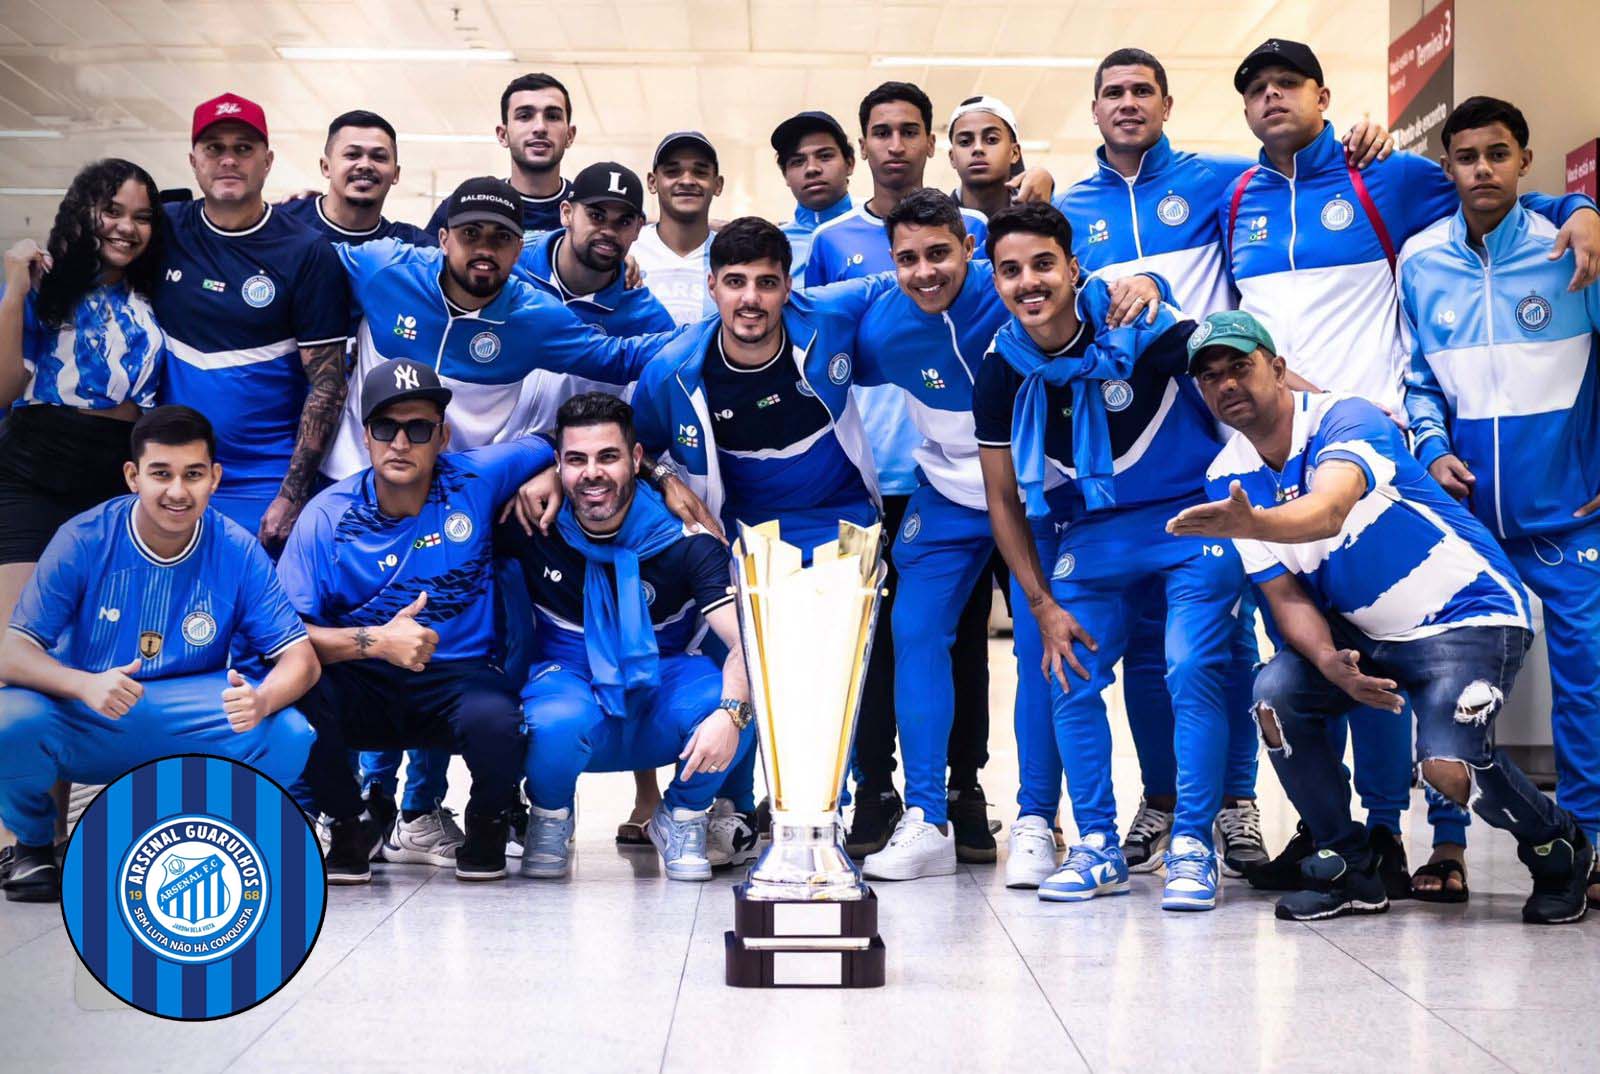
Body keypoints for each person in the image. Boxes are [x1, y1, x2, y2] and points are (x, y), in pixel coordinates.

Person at [1222, 38, 1600, 893]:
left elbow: (1498, 197)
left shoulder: (1388, 181)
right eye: (1257, 88)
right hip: (1311, 463)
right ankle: (1374, 838)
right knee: (1338, 656)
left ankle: (1484, 836)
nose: (1273, 97)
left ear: (1323, 95)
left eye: (1290, 83)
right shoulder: (1233, 193)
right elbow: (1429, 357)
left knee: (1453, 659)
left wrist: (1580, 206)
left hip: (1392, 471)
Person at [1055, 47, 1395, 878]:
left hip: (1226, 443)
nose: (1128, 103)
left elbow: (1302, 180)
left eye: (1143, 90)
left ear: (1169, 103)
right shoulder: (1069, 208)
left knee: (1234, 642)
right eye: (1113, 93)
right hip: (1127, 468)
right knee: (1148, 652)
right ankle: (1166, 801)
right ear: (1094, 110)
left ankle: (1245, 805)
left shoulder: (1224, 183)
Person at [1175, 310, 1593, 925]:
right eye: (1210, 377)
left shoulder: (1346, 417)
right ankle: (1349, 864)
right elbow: (1285, 596)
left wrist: (1253, 523)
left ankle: (1558, 848)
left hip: (1468, 615)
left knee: (1449, 769)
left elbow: (1329, 508)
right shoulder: (1228, 475)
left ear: (1279, 369)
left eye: (1241, 366)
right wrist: (1327, 664)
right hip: (1369, 634)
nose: (1227, 384)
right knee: (1274, 696)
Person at [853, 190, 1164, 882]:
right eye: (907, 259)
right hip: (942, 494)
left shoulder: (1019, 290)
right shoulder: (882, 331)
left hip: (1042, 496)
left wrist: (1151, 281)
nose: (925, 271)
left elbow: (1114, 286)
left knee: (1043, 650)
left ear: (971, 249)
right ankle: (925, 815)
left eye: (940, 253)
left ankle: (1032, 818)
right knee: (914, 633)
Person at [974, 203, 1240, 911]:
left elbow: (1245, 375)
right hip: (1091, 530)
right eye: (1010, 270)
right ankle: (1096, 845)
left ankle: (1191, 842)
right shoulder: (1002, 367)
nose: (1028, 282)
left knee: (1189, 665)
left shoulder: (1142, 324)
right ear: (995, 280)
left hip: (1191, 521)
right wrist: (1039, 604)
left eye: (1042, 265)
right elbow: (1003, 501)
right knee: (1067, 665)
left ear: (1072, 267)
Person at [629, 217, 896, 863]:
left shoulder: (830, 316)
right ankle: (732, 805)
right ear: (713, 286)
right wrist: (665, 478)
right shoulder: (674, 368)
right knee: (751, 664)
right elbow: (637, 446)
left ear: (789, 288)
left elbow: (918, 279)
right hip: (751, 530)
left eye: (768, 284)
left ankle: (849, 799)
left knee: (844, 671)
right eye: (737, 283)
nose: (751, 299)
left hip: (844, 518)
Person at [1399, 96, 1600, 906]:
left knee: (1586, 679)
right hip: (1467, 526)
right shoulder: (1420, 260)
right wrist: (1432, 447)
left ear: (1524, 160)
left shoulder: (1571, 250)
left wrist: (1582, 209)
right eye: (1466, 156)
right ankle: (1447, 848)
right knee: (1455, 686)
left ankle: (1585, 837)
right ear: (1446, 166)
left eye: (1497, 154)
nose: (1481, 169)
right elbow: (1417, 378)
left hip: (1567, 515)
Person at [0, 406, 319, 903]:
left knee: (289, 732)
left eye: (193, 474)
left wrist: (263, 700)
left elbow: (301, 657)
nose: (177, 491)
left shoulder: (236, 547)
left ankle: (207, 833)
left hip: (195, 711)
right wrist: (84, 684)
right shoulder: (83, 539)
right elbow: (12, 652)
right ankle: (35, 846)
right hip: (94, 708)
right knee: (9, 718)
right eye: (161, 474)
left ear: (215, 477)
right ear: (132, 476)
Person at [803, 81, 995, 857]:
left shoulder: (985, 239)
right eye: (878, 131)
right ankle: (884, 794)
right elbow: (815, 317)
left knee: (972, 644)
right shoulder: (840, 244)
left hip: (1005, 484)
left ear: (928, 143)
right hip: (882, 479)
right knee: (886, 642)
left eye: (908, 131)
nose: (893, 144)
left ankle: (968, 787)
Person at [280, 358, 558, 885]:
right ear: (366, 437)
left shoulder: (475, 477)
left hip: (457, 676)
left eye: (419, 428)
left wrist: (550, 474)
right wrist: (376, 642)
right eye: (386, 428)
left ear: (443, 435)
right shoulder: (326, 514)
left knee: (498, 720)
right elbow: (286, 635)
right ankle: (347, 824)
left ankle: (486, 823)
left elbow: (554, 437)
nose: (401, 443)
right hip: (363, 678)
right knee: (298, 691)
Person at [500, 393, 754, 880]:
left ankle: (681, 815)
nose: (592, 473)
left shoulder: (686, 538)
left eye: (608, 457)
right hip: (569, 679)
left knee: (738, 702)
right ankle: (550, 816)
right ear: (558, 467)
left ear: (637, 461)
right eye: (576, 460)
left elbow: (746, 639)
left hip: (663, 683)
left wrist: (732, 712)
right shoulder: (533, 525)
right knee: (552, 722)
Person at [504, 160, 678, 847]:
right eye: (596, 214)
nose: (607, 230)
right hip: (507, 479)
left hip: (588, 484)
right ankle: (538, 797)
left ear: (639, 229)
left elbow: (654, 410)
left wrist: (659, 477)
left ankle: (647, 794)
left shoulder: (643, 309)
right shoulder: (514, 276)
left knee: (625, 623)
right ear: (567, 211)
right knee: (513, 638)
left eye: (623, 220)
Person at [155, 92, 351, 550]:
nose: (228, 160)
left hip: (262, 482)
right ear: (193, 161)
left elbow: (327, 383)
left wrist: (292, 494)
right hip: (170, 473)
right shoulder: (162, 231)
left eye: (243, 149)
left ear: (267, 161)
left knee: (253, 620)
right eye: (214, 148)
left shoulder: (307, 252)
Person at [0, 159, 168, 632]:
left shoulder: (154, 290)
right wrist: (13, 291)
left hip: (115, 480)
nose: (126, 227)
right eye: (112, 211)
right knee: (17, 639)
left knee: (98, 639)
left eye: (141, 217)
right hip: (35, 470)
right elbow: (3, 389)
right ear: (83, 211)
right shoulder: (44, 282)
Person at [424, 73, 577, 240]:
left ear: (569, 135)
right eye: (525, 116)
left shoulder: (589, 212)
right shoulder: (462, 206)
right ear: (503, 135)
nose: (540, 127)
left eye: (553, 116)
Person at [278, 110, 433, 245]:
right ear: (326, 167)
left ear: (396, 174)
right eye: (352, 155)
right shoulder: (281, 223)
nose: (365, 165)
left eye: (378, 157)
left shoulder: (413, 249)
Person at [631, 131, 723, 326]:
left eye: (700, 172)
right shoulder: (628, 249)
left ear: (718, 184)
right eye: (672, 171)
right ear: (652, 182)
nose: (687, 181)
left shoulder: (732, 254)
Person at [771, 111, 856, 280]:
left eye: (825, 156)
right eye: (797, 161)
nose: (811, 168)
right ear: (785, 175)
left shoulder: (884, 231)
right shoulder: (770, 247)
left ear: (849, 164)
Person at [948, 95, 1024, 219]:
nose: (978, 148)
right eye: (965, 142)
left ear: (1014, 153)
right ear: (952, 158)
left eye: (991, 139)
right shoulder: (935, 224)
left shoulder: (1040, 222)